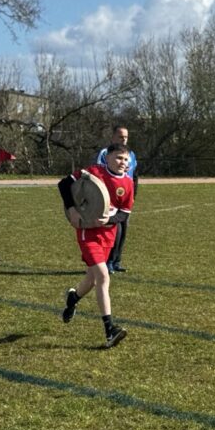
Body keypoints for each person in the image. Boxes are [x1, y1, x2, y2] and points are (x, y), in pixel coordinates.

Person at [58, 143, 135, 347]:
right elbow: (64, 184)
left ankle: (73, 298)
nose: (122, 162)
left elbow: (124, 214)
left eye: (126, 159)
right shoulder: (93, 172)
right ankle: (110, 330)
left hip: (107, 236)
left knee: (92, 279)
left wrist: (108, 221)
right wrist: (72, 209)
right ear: (107, 157)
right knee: (103, 275)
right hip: (87, 232)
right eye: (118, 158)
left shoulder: (128, 183)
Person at [96, 125, 138, 273]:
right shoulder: (105, 153)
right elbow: (100, 172)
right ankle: (107, 261)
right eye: (121, 137)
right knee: (114, 230)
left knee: (124, 229)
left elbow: (134, 176)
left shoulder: (131, 154)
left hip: (125, 197)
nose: (124, 139)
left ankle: (117, 261)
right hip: (110, 200)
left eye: (126, 137)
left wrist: (133, 196)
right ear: (113, 137)